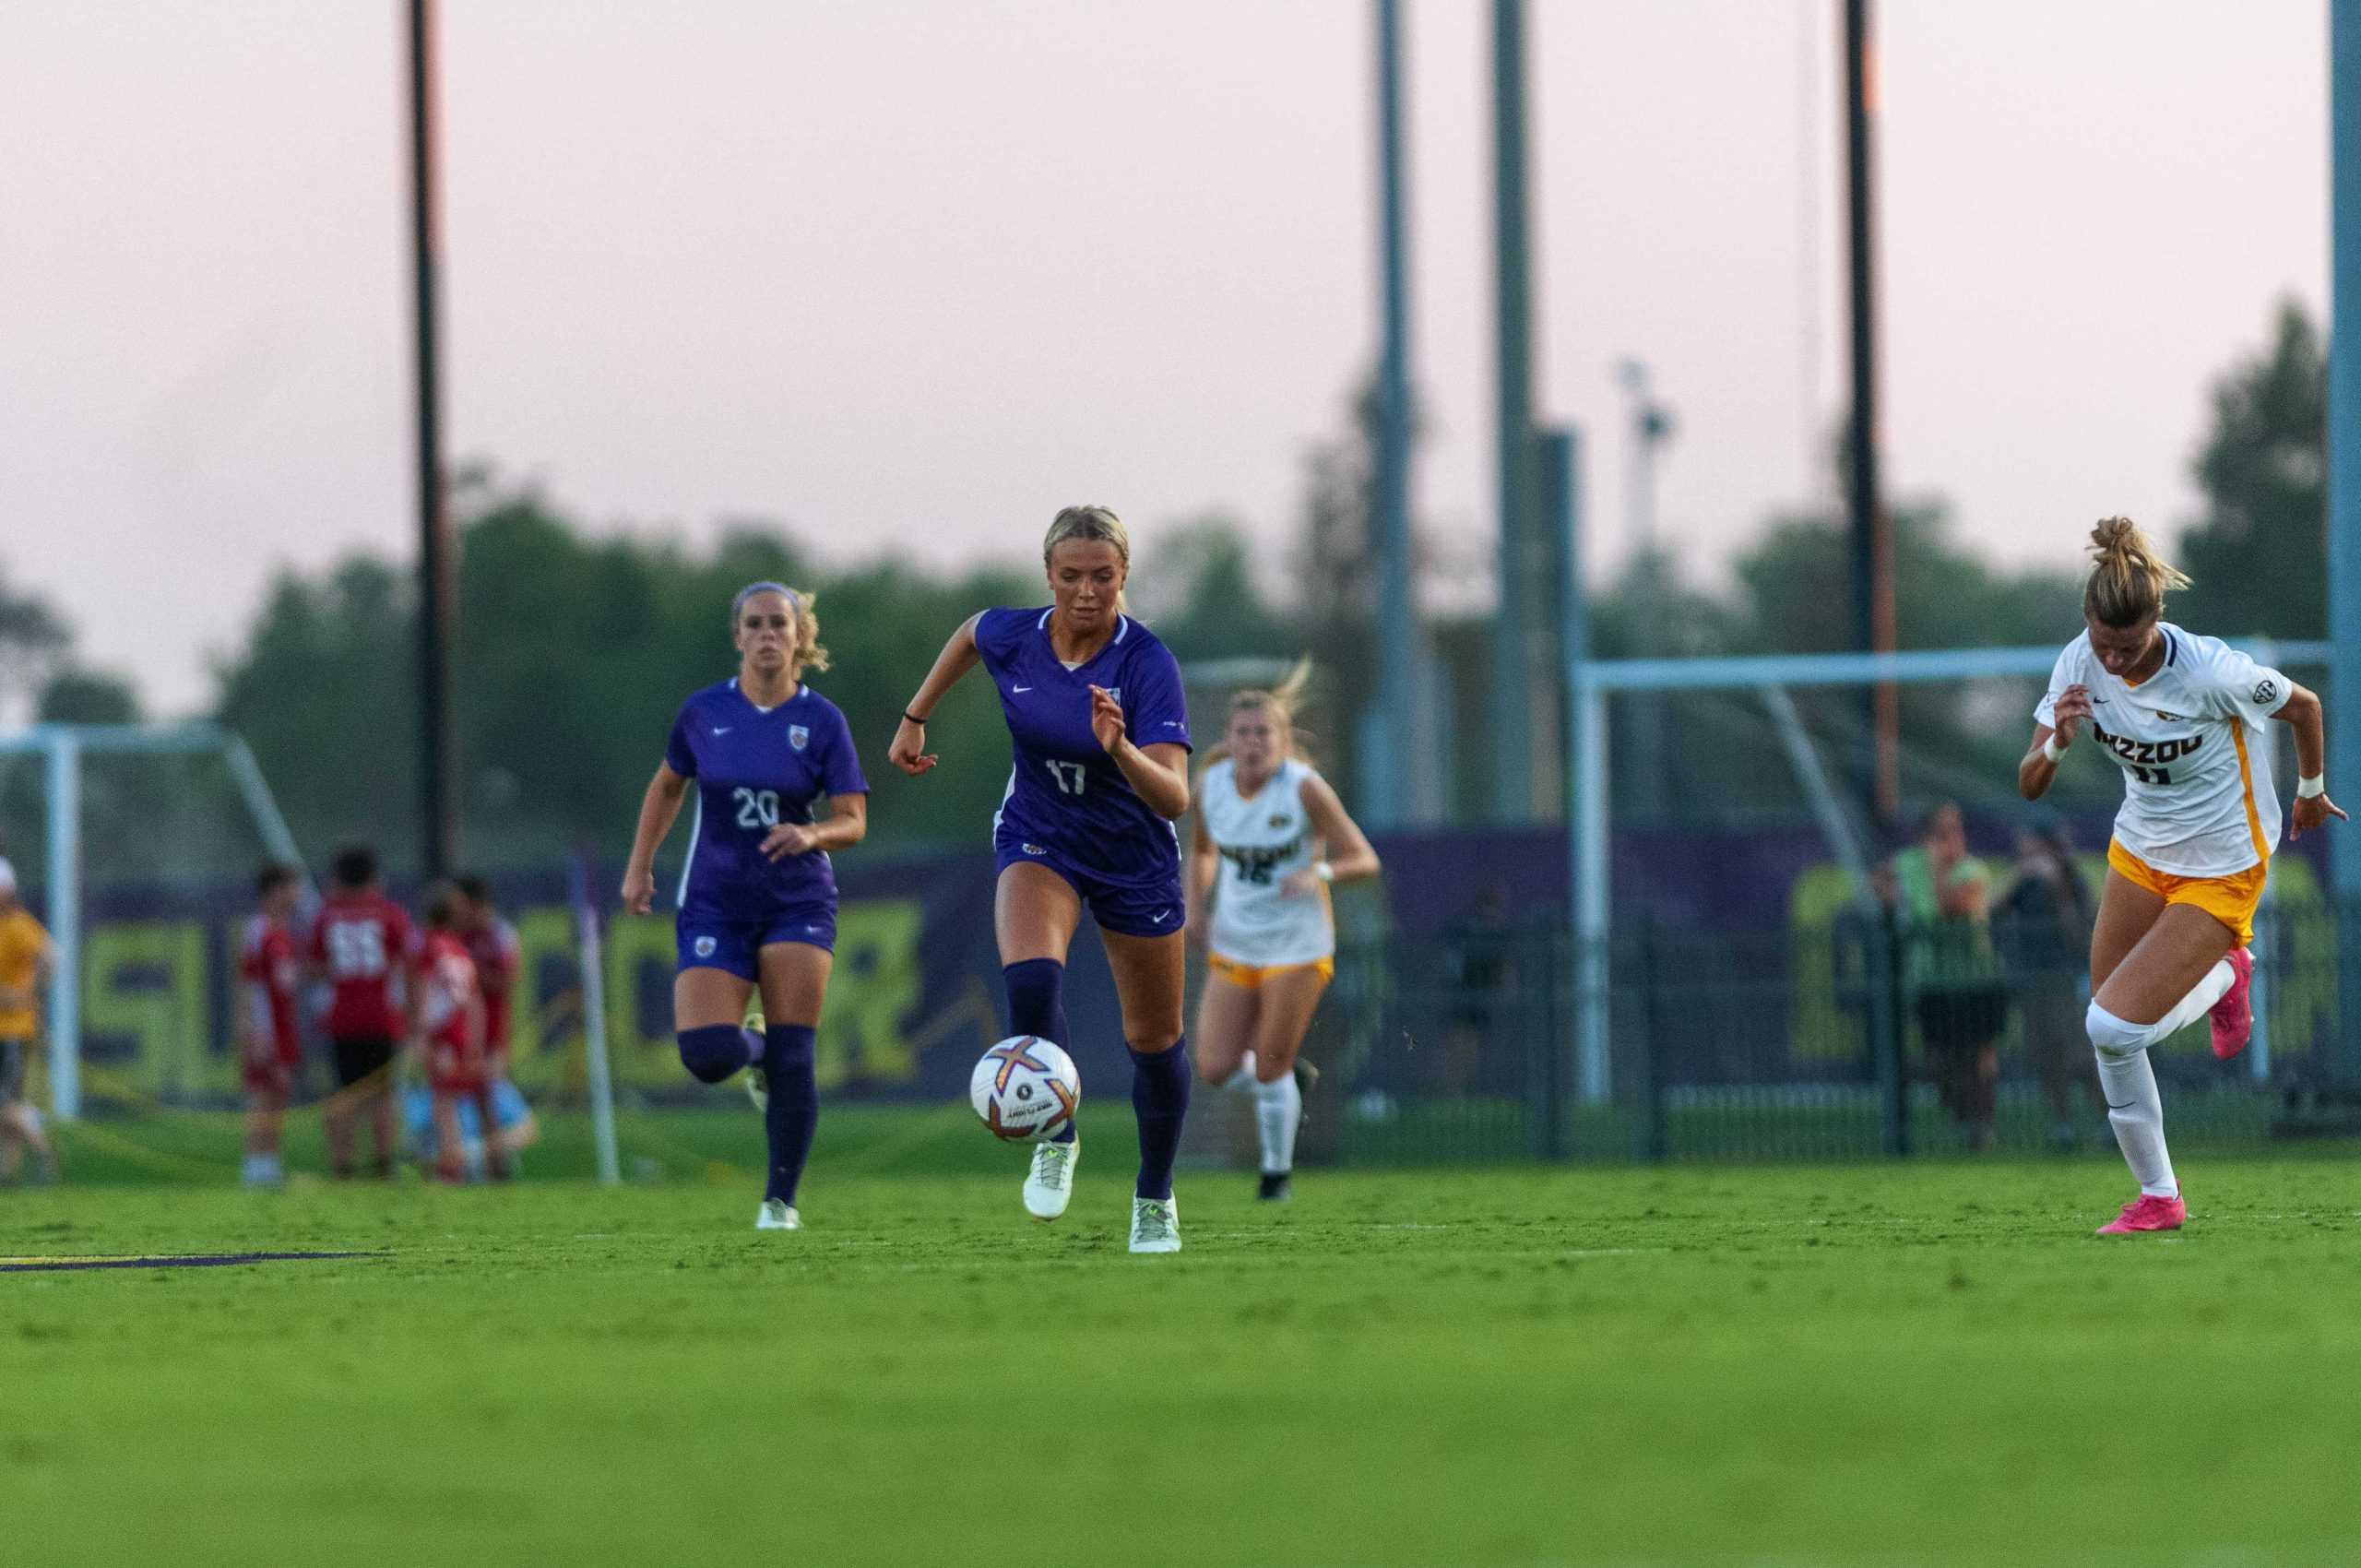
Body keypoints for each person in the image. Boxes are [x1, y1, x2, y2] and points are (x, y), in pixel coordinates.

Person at [2022, 517, 2344, 1236]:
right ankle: (2158, 1194)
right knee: (2111, 1018)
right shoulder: (2079, 662)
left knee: (2108, 1026)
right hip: (2139, 852)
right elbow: (2030, 780)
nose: (2116, 661)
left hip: (2225, 862)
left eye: (2129, 648)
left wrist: (2311, 789)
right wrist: (2060, 747)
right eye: (2104, 646)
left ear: (2157, 621)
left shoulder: (2209, 670)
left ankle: (2162, 1194)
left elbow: (2305, 706)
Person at [889, 505, 1195, 1253]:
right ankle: (1056, 1134)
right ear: (1048, 576)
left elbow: (1176, 797)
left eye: (1103, 576)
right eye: (1070, 576)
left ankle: (1154, 1196)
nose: (1086, 592)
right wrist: (915, 716)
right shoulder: (1016, 636)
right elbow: (969, 633)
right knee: (1030, 983)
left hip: (1133, 857)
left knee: (1154, 1044)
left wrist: (1120, 748)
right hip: (1042, 834)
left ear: (1124, 577)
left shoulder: (1145, 663)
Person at [622, 582, 868, 1231]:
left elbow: (853, 819)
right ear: (737, 636)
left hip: (797, 900)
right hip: (716, 900)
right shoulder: (704, 712)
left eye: (778, 624)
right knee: (705, 1055)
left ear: (798, 637)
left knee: (797, 1053)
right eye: (754, 624)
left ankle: (779, 1202)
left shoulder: (821, 721)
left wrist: (811, 832)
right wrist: (640, 865)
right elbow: (667, 785)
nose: (766, 635)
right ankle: (753, 1047)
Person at [1186, 664, 1380, 1201]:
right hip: (1235, 939)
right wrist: (1196, 907)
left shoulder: (1304, 789)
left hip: (1298, 945)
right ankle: (1286, 1086)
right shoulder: (1210, 786)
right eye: (1243, 733)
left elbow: (1364, 858)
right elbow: (1201, 850)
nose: (1253, 743)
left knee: (1270, 1061)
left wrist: (1317, 873)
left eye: (1264, 733)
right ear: (1228, 740)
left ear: (1284, 741)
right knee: (1216, 1066)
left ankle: (1276, 1176)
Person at [1889, 803, 2008, 1151]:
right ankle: (1962, 1121)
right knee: (1940, 1058)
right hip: (1932, 982)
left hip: (1976, 980)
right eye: (1943, 832)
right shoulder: (1908, 865)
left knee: (1979, 1056)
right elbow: (1883, 889)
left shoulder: (1972, 870)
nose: (1953, 838)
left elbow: (1950, 911)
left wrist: (1936, 871)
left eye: (1956, 830)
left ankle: (1982, 1126)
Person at [1989, 819, 2103, 1150]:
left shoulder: (2072, 881)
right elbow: (1991, 913)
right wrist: (2017, 878)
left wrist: (2055, 884)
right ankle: (2062, 1124)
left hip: (2068, 980)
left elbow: (2079, 933)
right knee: (2046, 1056)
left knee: (2080, 1055)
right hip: (2033, 980)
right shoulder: (2022, 883)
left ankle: (2108, 1120)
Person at [307, 844, 417, 1180]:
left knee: (344, 1095)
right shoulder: (390, 914)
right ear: (373, 875)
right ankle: (385, 1164)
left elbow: (312, 967)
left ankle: (343, 1167)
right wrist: (412, 1013)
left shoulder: (326, 915)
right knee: (383, 1094)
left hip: (343, 1019)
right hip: (383, 1018)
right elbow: (410, 963)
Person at [413, 884, 504, 1183]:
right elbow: (475, 1001)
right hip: (463, 1034)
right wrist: (475, 1043)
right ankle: (475, 1165)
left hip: (443, 1033)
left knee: (444, 1101)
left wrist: (422, 1035)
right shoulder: (460, 950)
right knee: (460, 1099)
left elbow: (427, 991)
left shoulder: (430, 946)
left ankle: (452, 1167)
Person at [237, 863, 305, 1187]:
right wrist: (254, 1030)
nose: (297, 895)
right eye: (293, 887)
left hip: (283, 1026)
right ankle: (254, 1166)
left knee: (279, 1094)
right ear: (275, 891)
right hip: (265, 1030)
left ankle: (269, 1164)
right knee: (261, 1095)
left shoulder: (283, 933)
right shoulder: (258, 931)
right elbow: (249, 984)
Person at [0, 858, 59, 1183]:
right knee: (9, 1104)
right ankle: (7, 1173)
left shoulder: (19, 925)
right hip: (11, 1026)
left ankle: (42, 1149)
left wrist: (30, 996)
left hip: (11, 1029)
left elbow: (50, 957)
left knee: (6, 1105)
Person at [453, 875, 522, 1087]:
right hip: (459, 1027)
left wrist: (472, 973)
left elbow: (509, 980)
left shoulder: (501, 933)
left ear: (472, 904)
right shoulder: (454, 933)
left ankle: (516, 1120)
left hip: (492, 1025)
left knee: (491, 1087)